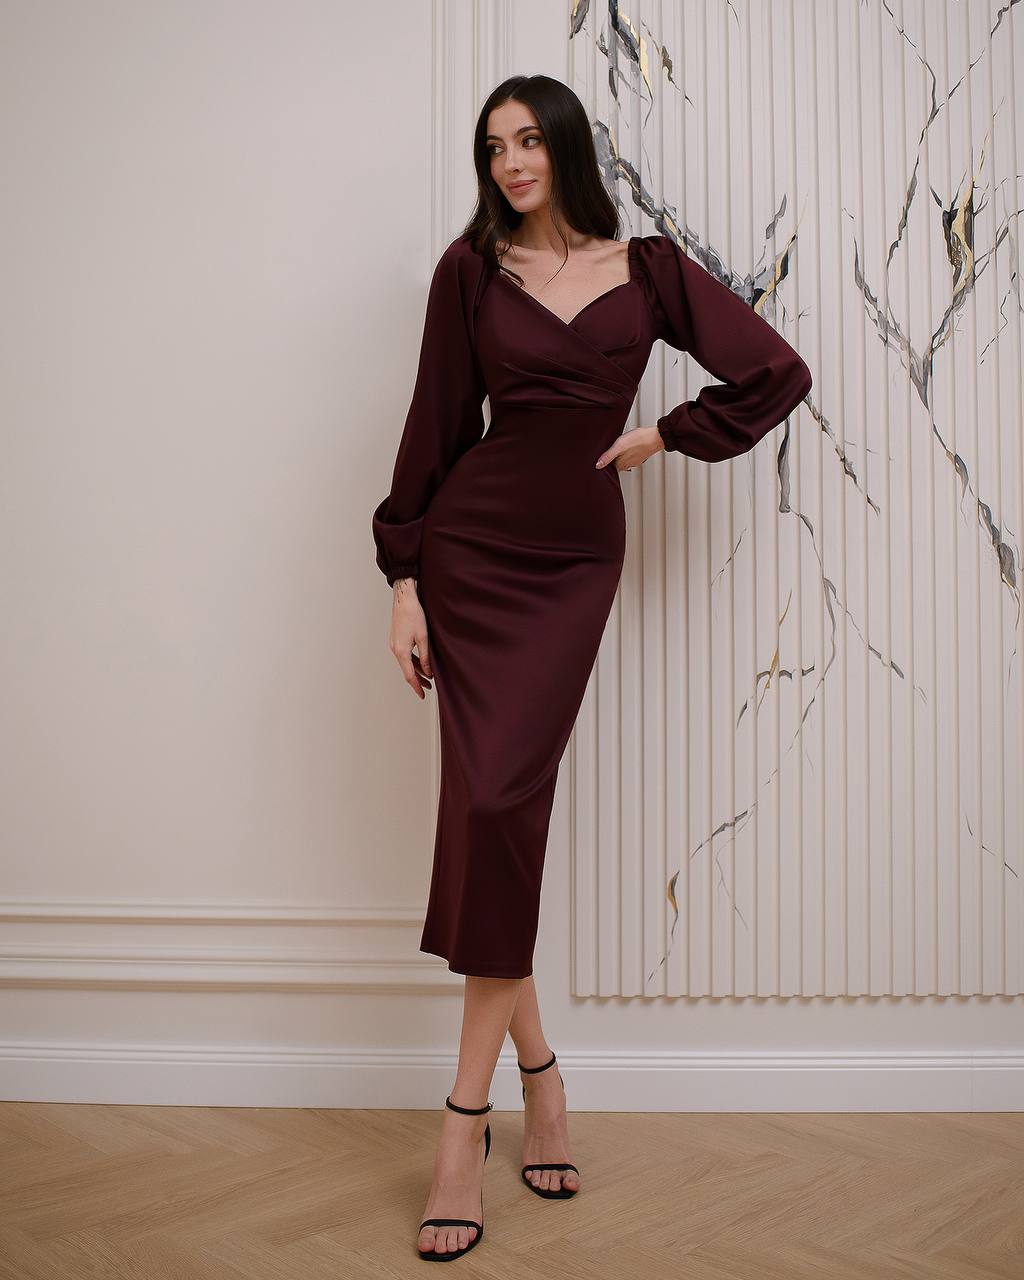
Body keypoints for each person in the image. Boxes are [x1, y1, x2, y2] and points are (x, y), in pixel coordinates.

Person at [370, 74, 813, 1262]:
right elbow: (432, 422)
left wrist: (669, 431)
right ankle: (510, 1098)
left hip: (572, 561)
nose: (511, 162)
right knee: (492, 808)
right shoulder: (470, 272)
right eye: (492, 146)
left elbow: (775, 372)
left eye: (528, 140)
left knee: (499, 804)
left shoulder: (650, 268)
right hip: (471, 548)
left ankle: (491, 1102)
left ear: (566, 145)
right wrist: (404, 573)